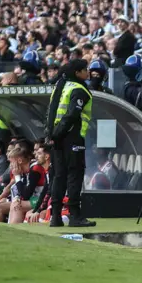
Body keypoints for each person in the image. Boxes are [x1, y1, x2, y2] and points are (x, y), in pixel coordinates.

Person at [46, 58, 96, 228]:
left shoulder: (61, 86)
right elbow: (72, 115)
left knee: (59, 177)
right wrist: (58, 134)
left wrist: (51, 135)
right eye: (85, 69)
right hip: (71, 137)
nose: (88, 72)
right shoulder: (79, 89)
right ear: (77, 73)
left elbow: (51, 112)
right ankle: (75, 216)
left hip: (57, 138)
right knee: (74, 175)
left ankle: (55, 217)